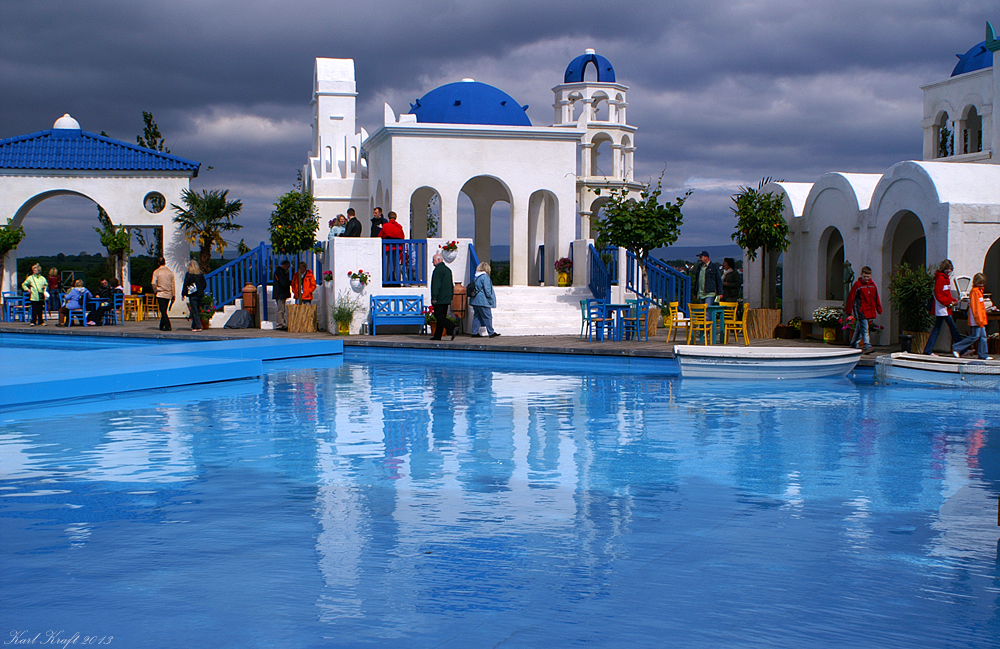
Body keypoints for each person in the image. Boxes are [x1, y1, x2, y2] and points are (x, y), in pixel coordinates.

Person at [923, 259, 961, 355]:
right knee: (952, 328)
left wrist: (953, 300)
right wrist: (949, 302)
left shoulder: (945, 279)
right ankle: (961, 348)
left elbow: (946, 294)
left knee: (937, 329)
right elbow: (938, 294)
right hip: (941, 308)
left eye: (950, 269)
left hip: (945, 307)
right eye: (947, 268)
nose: (949, 271)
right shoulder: (940, 279)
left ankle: (928, 350)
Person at [952, 273, 992, 360]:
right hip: (977, 318)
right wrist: (979, 320)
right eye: (980, 283)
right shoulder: (975, 292)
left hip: (980, 318)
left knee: (982, 336)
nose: (981, 285)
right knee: (975, 336)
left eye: (982, 283)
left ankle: (983, 354)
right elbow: (975, 308)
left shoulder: (979, 292)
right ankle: (957, 347)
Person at [846, 265, 882, 353]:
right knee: (865, 328)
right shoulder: (857, 285)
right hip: (860, 310)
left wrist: (878, 308)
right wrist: (849, 310)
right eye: (865, 276)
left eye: (868, 277)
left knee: (859, 327)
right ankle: (867, 345)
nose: (866, 278)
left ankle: (853, 343)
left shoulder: (872, 285)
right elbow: (851, 298)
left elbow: (876, 297)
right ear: (861, 275)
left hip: (869, 309)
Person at [429, 253, 456, 340]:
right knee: (442, 315)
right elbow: (451, 284)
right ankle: (437, 335)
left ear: (439, 260)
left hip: (440, 298)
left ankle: (452, 327)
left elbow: (436, 285)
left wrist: (434, 297)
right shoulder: (447, 270)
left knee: (438, 315)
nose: (432, 262)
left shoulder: (438, 270)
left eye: (434, 260)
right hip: (447, 297)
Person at [469, 261, 499, 337]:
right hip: (483, 300)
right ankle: (491, 332)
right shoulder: (485, 277)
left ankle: (474, 332)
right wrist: (490, 299)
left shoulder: (476, 277)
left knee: (477, 316)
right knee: (487, 316)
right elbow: (487, 290)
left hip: (475, 300)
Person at [181, 260, 207, 331]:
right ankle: (193, 326)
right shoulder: (200, 274)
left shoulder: (189, 274)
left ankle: (198, 326)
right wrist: (201, 289)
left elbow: (185, 285)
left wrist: (183, 294)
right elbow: (204, 284)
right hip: (200, 294)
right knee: (197, 310)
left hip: (193, 295)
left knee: (195, 311)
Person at [151, 257, 175, 331]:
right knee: (164, 310)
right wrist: (173, 294)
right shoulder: (170, 272)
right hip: (168, 293)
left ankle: (168, 325)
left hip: (160, 293)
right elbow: (173, 284)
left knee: (163, 310)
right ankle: (161, 325)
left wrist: (156, 289)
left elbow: (153, 283)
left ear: (158, 263)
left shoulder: (157, 272)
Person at [273, 260, 291, 330]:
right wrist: (289, 282)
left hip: (280, 293)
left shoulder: (280, 271)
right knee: (281, 309)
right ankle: (280, 324)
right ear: (285, 265)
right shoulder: (280, 272)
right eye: (287, 267)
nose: (288, 269)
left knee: (282, 309)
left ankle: (282, 322)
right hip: (280, 293)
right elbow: (283, 283)